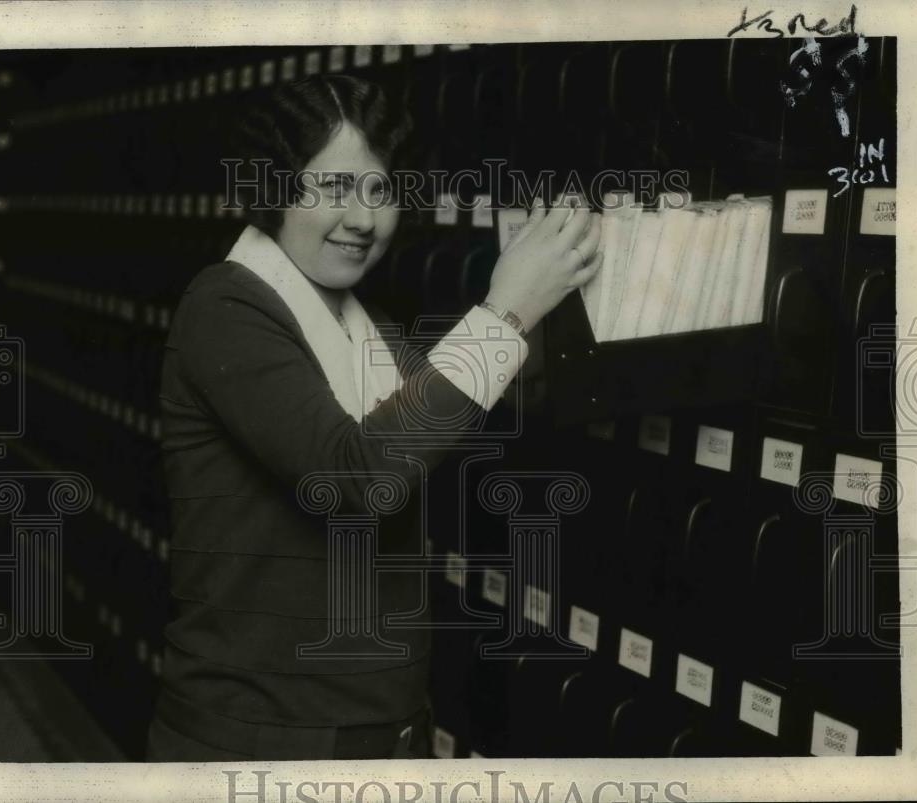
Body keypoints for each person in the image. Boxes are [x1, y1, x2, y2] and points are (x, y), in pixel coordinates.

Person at [144, 73, 603, 761]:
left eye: (381, 191)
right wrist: (506, 308)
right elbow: (359, 475)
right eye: (334, 188)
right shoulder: (225, 308)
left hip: (384, 732)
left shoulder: (367, 325)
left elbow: (474, 401)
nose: (363, 218)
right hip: (260, 742)